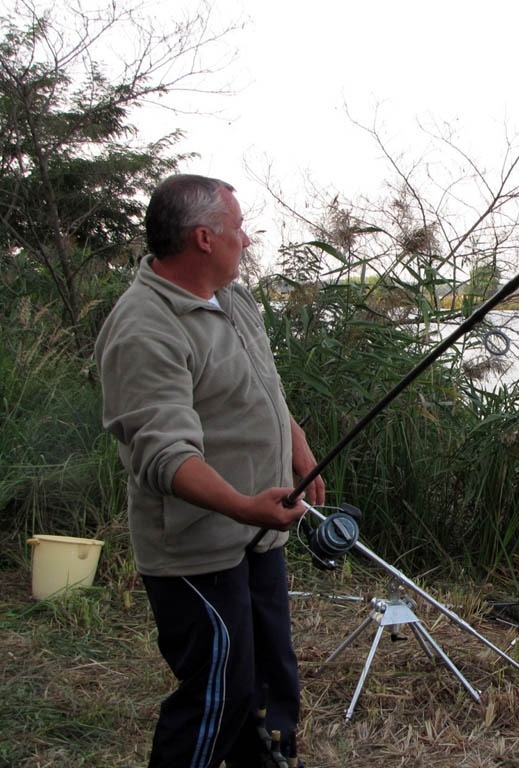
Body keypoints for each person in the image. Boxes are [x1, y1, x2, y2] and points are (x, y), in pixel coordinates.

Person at [95, 174, 325, 767]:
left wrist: (296, 442)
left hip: (257, 539)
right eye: (238, 228)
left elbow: (264, 387)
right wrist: (243, 506)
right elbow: (165, 455)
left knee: (273, 688)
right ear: (203, 238)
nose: (246, 240)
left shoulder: (234, 298)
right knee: (219, 697)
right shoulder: (145, 327)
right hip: (198, 549)